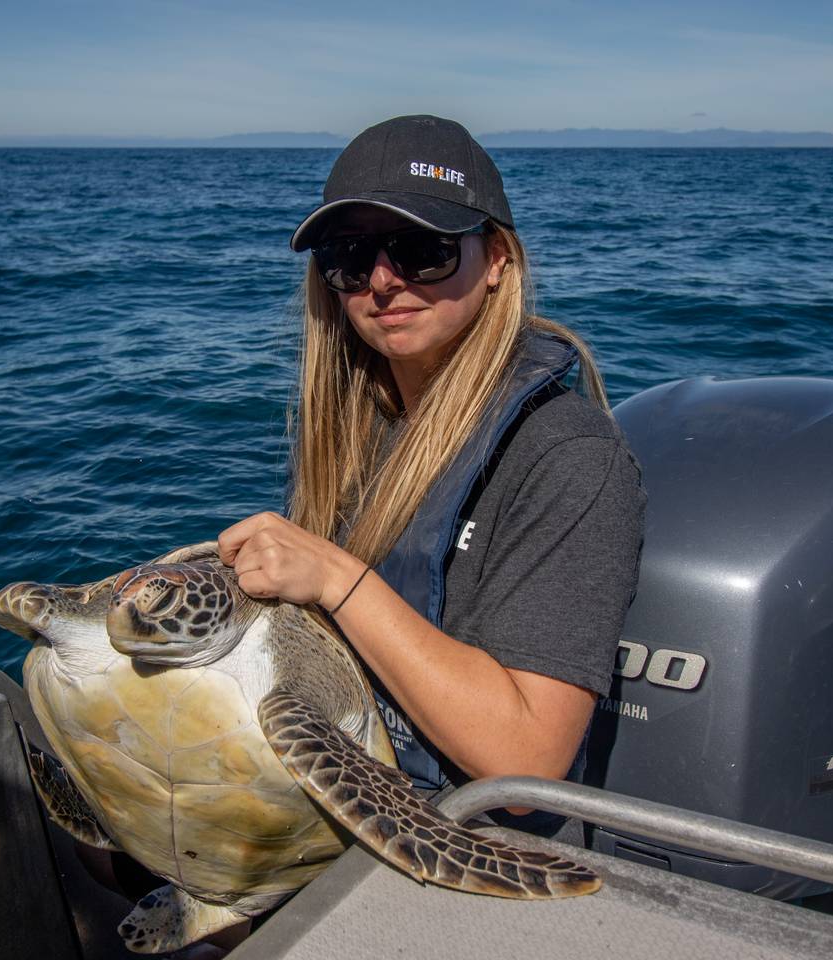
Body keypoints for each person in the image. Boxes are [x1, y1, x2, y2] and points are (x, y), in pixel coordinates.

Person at [218, 115, 644, 841]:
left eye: (423, 249)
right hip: (334, 788)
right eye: (351, 257)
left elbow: (525, 760)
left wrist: (336, 578)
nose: (383, 281)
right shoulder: (355, 432)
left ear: (497, 258)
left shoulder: (571, 456)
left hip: (457, 839)